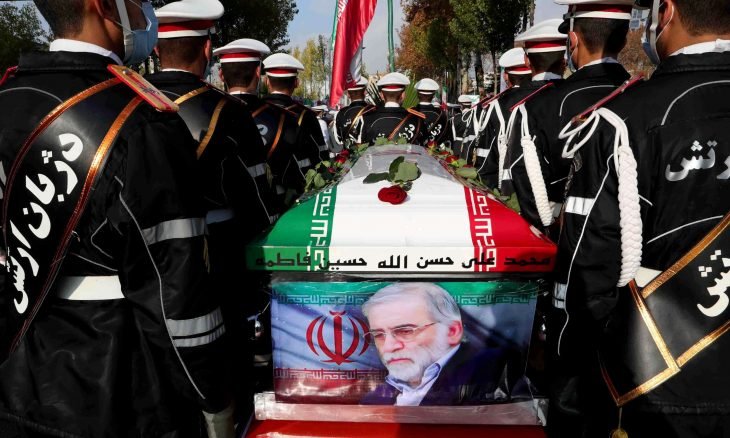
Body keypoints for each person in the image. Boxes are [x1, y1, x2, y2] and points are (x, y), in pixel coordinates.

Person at [0, 0, 233, 437]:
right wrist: (215, 396)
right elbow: (177, 295)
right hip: (120, 396)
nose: (146, 13)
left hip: (15, 384)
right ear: (105, 6)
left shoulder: (8, 97)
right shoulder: (141, 121)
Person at [552, 0, 730, 436]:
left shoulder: (621, 122)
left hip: (661, 396)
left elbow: (589, 278)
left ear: (666, 13)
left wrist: (571, 387)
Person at [148, 0, 276, 231]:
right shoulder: (230, 110)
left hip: (137, 243)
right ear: (207, 48)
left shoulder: (128, 97)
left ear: (156, 49)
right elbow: (254, 194)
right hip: (217, 238)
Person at [505, 1, 632, 234]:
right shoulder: (648, 96)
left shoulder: (538, 107)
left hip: (564, 238)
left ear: (572, 40)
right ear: (624, 41)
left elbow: (526, 186)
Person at [360, 283, 507, 406]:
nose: (388, 347)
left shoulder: (496, 371)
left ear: (452, 331)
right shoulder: (373, 400)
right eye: (378, 335)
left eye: (405, 331)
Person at [214, 39, 310, 210]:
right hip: (275, 207)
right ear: (258, 72)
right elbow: (297, 174)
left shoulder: (207, 113)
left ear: (221, 74)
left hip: (218, 215)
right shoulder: (285, 118)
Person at [499, 19, 566, 197]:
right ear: (564, 61)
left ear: (527, 61)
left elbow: (515, 168)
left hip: (534, 203)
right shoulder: (580, 95)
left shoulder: (511, 105)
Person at [473, 47, 533, 187]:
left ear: (506, 75)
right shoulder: (553, 96)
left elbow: (485, 158)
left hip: (509, 186)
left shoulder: (495, 106)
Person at [262, 53, 329, 163]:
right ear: (296, 83)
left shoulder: (251, 110)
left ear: (266, 81)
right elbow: (321, 158)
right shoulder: (306, 116)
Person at [357, 72, 427, 145]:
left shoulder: (367, 118)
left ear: (382, 95)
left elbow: (359, 147)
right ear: (403, 95)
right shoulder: (416, 119)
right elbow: (424, 146)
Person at [333, 77, 373, 149]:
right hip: (370, 154)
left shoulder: (340, 114)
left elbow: (338, 140)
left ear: (348, 94)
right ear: (365, 92)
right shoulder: (373, 110)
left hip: (348, 154)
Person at [414, 78, 451, 146]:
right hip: (435, 152)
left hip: (413, 152)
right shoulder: (442, 115)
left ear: (417, 94)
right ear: (433, 95)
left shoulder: (410, 113)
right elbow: (446, 138)